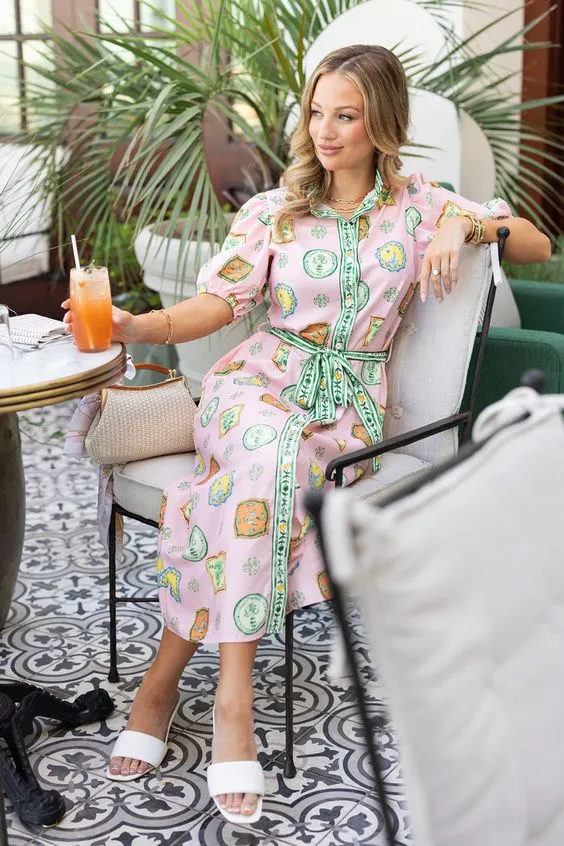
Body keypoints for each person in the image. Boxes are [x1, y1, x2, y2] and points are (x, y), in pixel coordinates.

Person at [63, 44, 550, 823]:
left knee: (257, 477)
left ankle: (161, 682)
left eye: (346, 116)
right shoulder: (272, 212)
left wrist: (468, 229)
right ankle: (232, 704)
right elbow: (215, 309)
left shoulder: (423, 204)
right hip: (255, 385)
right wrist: (137, 323)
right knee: (266, 457)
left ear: (382, 123)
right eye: (316, 112)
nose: (325, 131)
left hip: (345, 411)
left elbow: (537, 244)